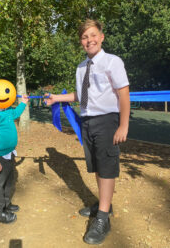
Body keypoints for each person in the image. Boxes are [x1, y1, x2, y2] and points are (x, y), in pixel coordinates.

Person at [45, 19, 130, 245]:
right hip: (88, 122)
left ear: (101, 37)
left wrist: (123, 125)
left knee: (107, 166)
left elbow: (123, 93)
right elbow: (80, 96)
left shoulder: (113, 62)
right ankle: (104, 204)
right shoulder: (81, 67)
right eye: (84, 37)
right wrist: (57, 98)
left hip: (107, 121)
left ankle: (103, 218)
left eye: (92, 35)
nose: (89, 40)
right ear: (81, 42)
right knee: (97, 166)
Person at [0, 79, 29, 224]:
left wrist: (23, 103)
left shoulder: (7, 109)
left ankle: (6, 205)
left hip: (10, 154)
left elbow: (15, 113)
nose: (3, 96)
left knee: (9, 182)